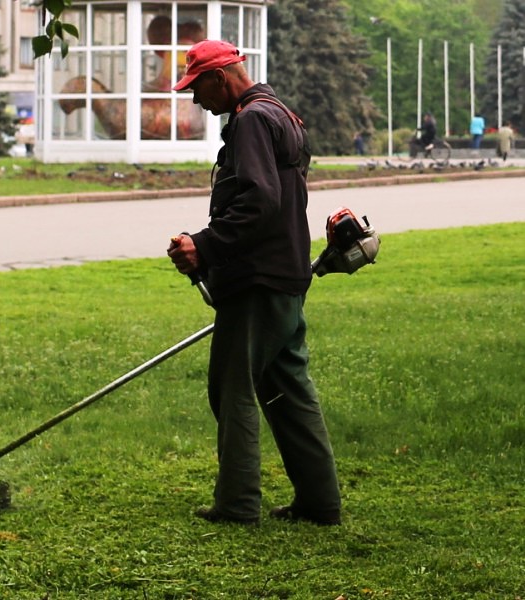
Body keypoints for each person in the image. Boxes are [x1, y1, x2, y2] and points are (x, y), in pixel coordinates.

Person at [166, 40, 341, 526]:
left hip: (258, 278)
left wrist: (204, 243)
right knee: (288, 387)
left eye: (197, 88)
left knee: (233, 387)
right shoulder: (280, 113)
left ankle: (238, 504)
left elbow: (259, 199)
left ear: (220, 77)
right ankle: (319, 503)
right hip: (286, 274)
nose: (197, 101)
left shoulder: (249, 120)